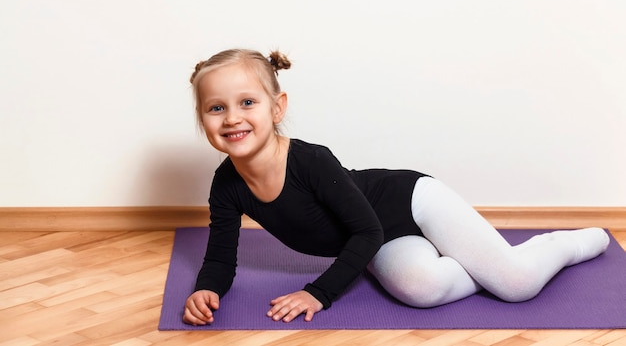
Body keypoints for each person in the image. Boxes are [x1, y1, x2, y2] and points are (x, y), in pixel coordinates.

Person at [182, 48, 610, 325]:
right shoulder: (226, 186)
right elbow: (221, 255)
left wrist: (318, 293)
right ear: (203, 119)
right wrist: (207, 288)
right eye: (216, 108)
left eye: (247, 103)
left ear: (278, 108)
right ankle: (485, 264)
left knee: (517, 286)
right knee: (419, 291)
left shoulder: (310, 160)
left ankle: (572, 243)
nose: (232, 117)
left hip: (411, 202)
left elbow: (366, 230)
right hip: (372, 237)